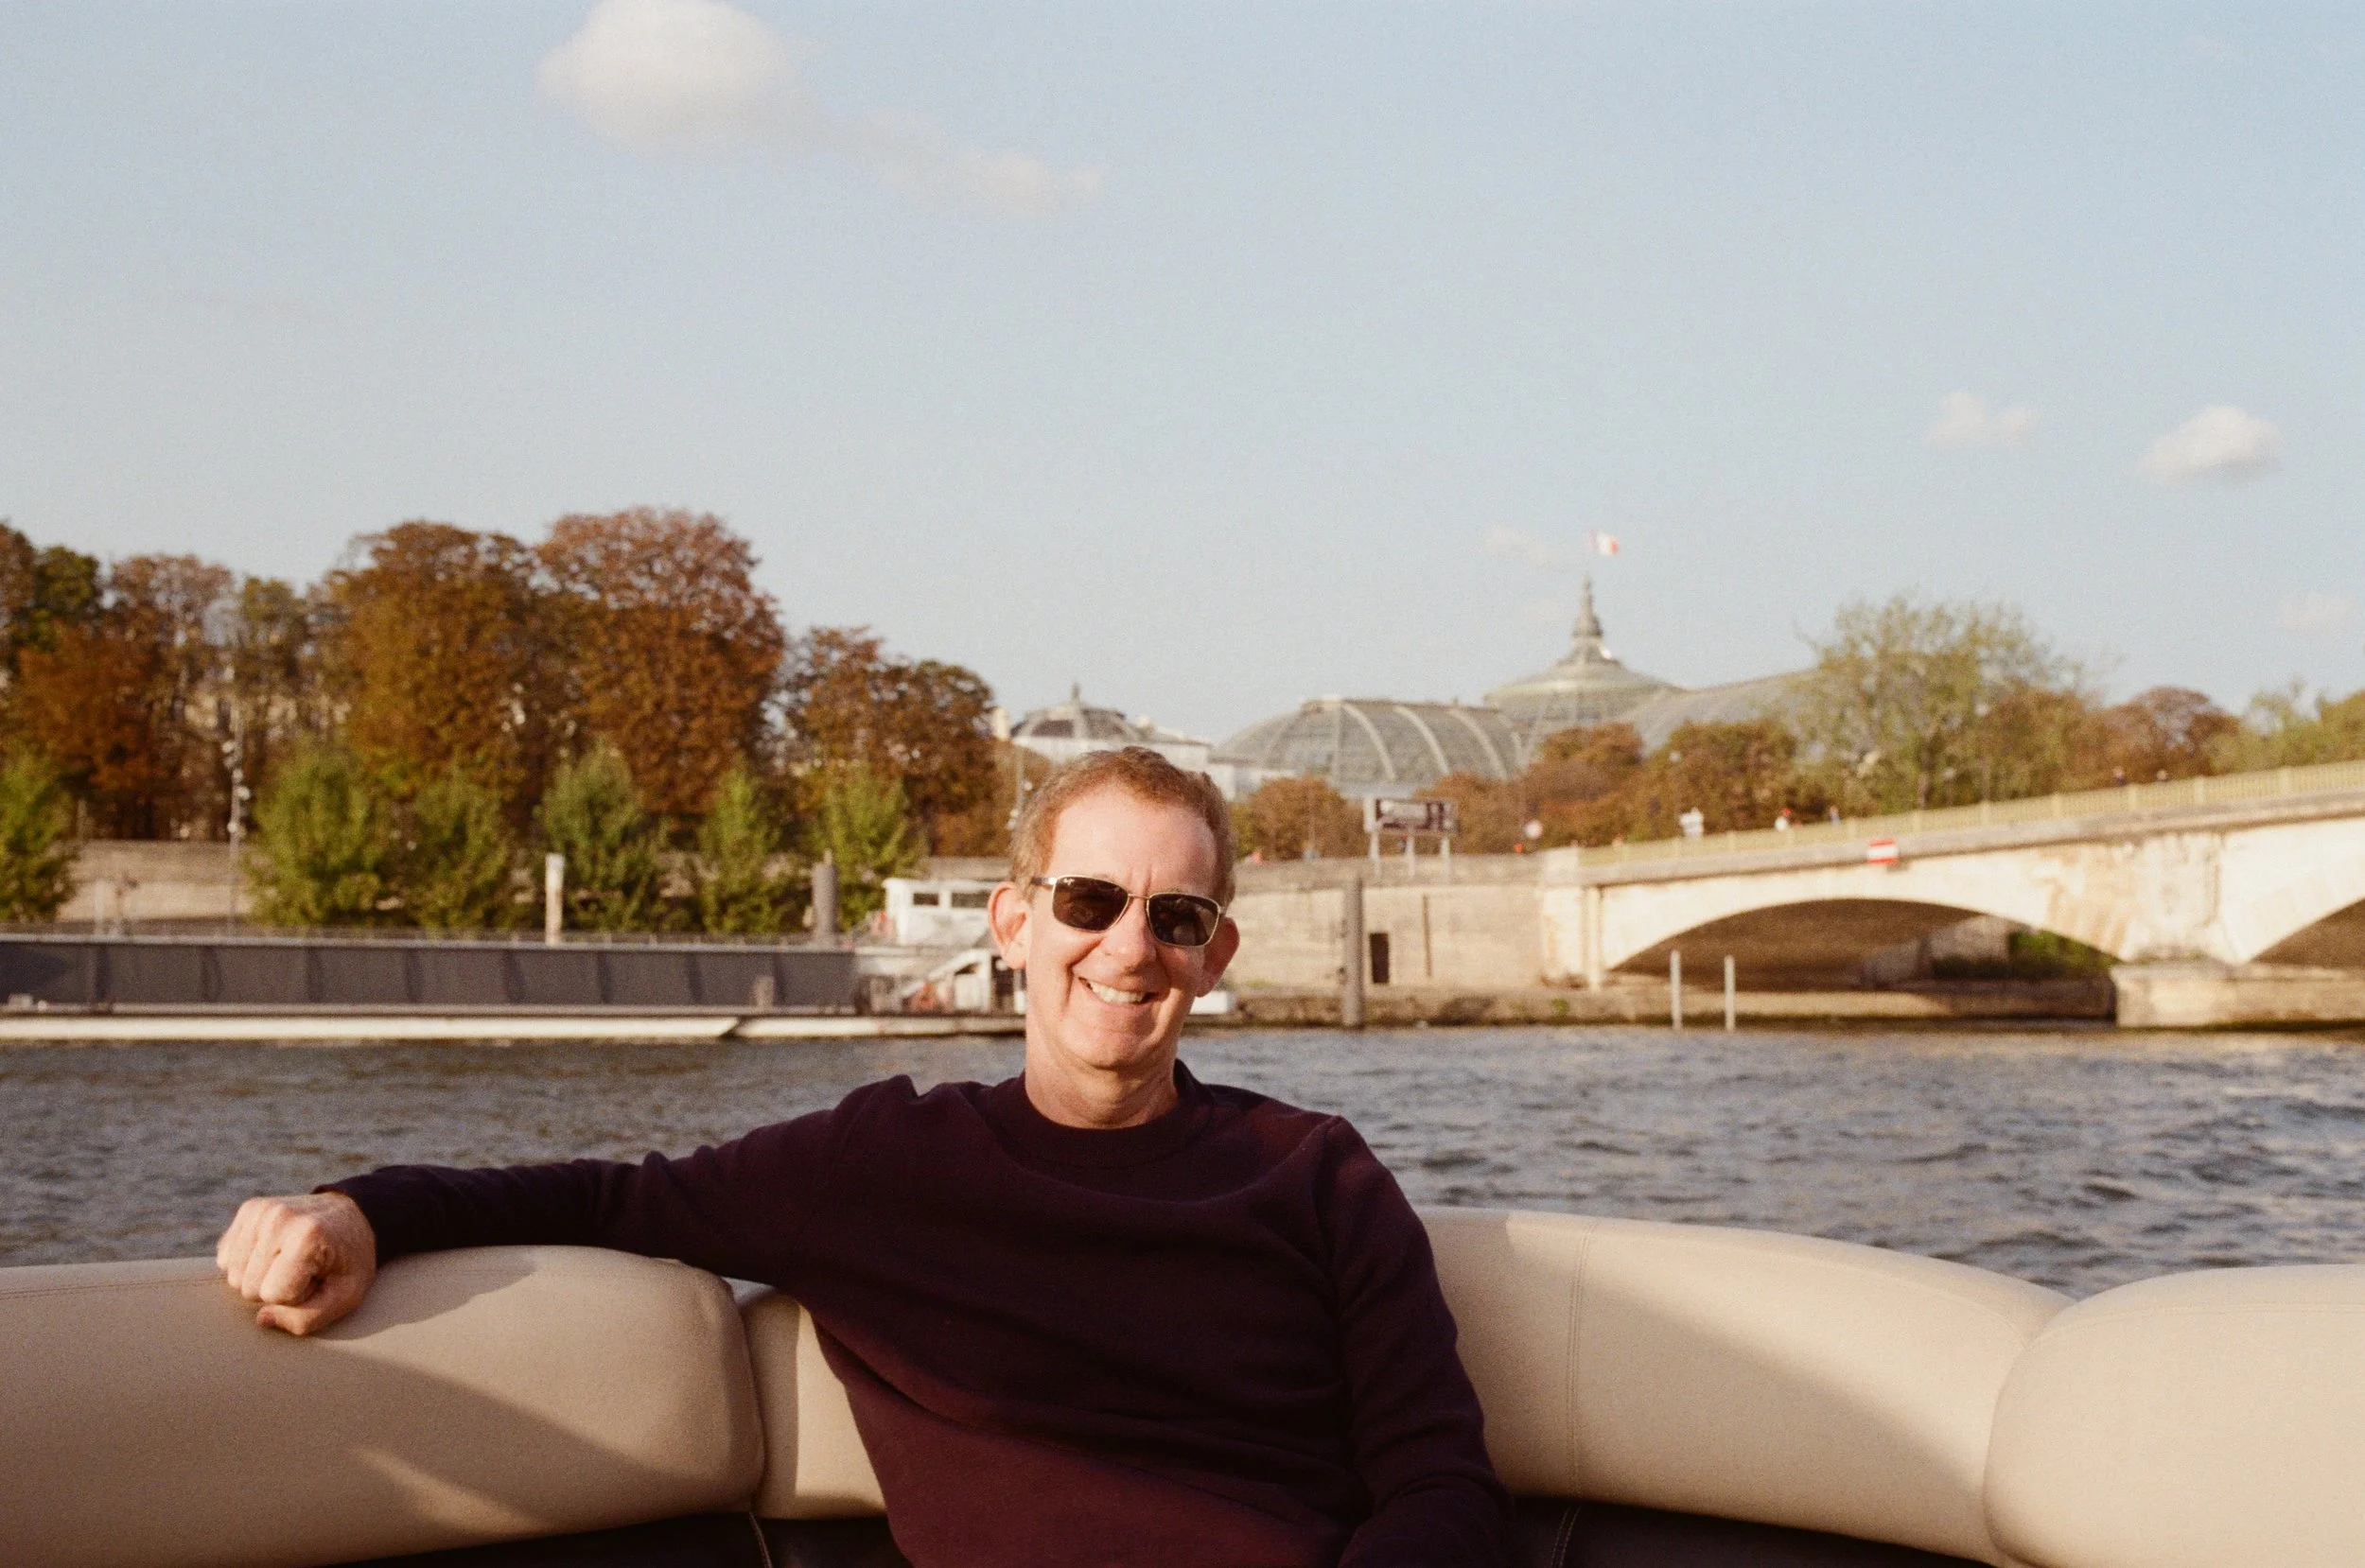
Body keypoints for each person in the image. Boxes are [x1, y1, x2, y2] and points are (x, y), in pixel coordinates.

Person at [216, 746, 1511, 1568]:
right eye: (1090, 900)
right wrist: (360, 1210)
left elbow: (1438, 1482)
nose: (1129, 947)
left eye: (1177, 916)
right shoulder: (882, 1165)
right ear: (1014, 921)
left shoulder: (1320, 1177)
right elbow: (613, 1193)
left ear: (1214, 956)